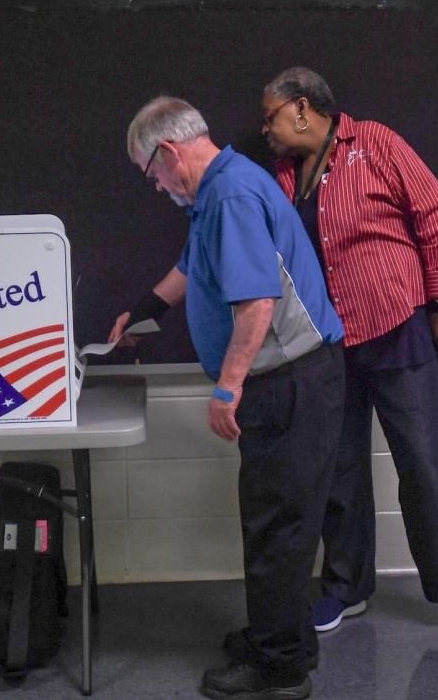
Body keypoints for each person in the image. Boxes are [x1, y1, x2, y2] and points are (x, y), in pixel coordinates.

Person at [109, 96, 346, 700]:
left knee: (278, 527)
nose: (157, 187)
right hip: (290, 382)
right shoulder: (219, 190)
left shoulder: (232, 197)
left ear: (167, 152)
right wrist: (144, 309)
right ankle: (283, 638)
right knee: (276, 521)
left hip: (288, 383)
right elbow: (192, 266)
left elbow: (256, 304)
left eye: (151, 174)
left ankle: (281, 671)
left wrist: (227, 387)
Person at [259, 66, 438, 637]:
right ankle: (345, 586)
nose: (264, 129)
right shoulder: (286, 175)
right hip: (329, 344)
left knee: (421, 459)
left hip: (399, 329)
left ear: (301, 108)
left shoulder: (377, 144)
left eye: (269, 117)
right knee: (337, 468)